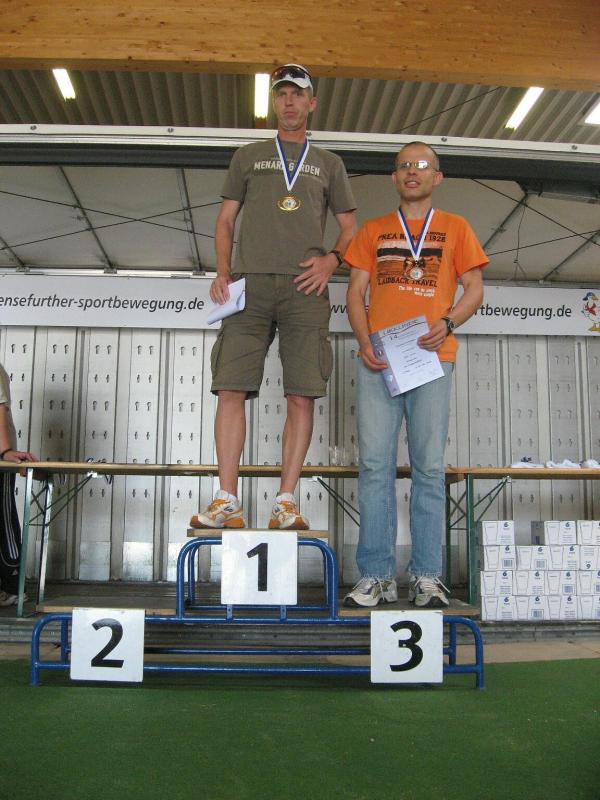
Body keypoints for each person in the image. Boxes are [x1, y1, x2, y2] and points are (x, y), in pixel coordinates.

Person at [191, 64, 357, 531]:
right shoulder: (247, 156)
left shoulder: (329, 163)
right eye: (282, 93)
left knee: (302, 394)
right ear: (274, 102)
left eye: (297, 94)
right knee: (230, 387)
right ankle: (227, 499)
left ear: (311, 103)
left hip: (306, 288)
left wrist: (331, 261)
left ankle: (285, 501)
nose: (289, 101)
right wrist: (223, 272)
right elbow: (226, 220)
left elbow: (349, 227)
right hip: (249, 285)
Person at [343, 141, 487, 608]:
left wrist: (448, 322)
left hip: (432, 357)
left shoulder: (456, 228)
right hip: (380, 360)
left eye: (422, 165)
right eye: (404, 165)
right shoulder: (373, 230)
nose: (412, 171)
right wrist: (365, 342)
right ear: (394, 177)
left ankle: (426, 576)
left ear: (436, 177)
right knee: (374, 467)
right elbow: (355, 292)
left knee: (429, 468)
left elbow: (474, 288)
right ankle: (377, 576)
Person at [0, 364, 36, 606]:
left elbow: (0, 408)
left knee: (4, 520)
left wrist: (5, 451)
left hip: (0, 459)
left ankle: (13, 585)